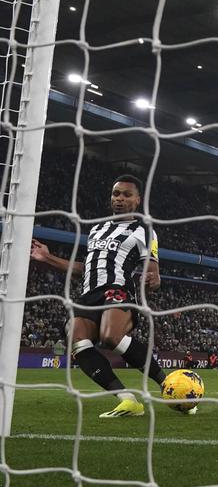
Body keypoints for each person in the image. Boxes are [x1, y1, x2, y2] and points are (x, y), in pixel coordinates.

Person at [29, 174, 169, 418]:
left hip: (118, 291)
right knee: (77, 340)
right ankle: (127, 400)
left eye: (126, 195)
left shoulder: (145, 231)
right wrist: (47, 257)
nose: (120, 199)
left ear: (138, 200)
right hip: (88, 294)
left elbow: (152, 271)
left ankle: (166, 385)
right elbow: (86, 268)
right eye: (116, 194)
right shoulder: (97, 230)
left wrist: (153, 280)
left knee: (110, 336)